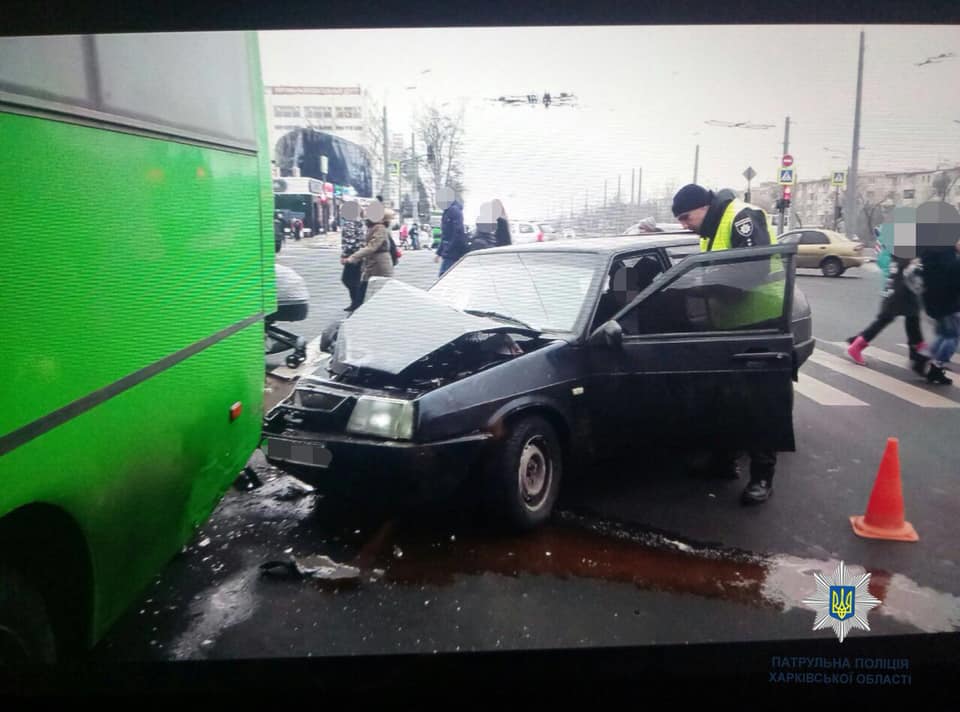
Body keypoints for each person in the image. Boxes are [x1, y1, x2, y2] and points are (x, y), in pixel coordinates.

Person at [671, 183, 780, 505]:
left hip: (762, 322)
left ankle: (762, 477)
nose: (684, 225)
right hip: (731, 325)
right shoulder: (711, 229)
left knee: (759, 404)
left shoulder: (741, 218)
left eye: (685, 217)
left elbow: (753, 270)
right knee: (725, 396)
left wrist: (703, 288)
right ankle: (723, 462)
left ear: (703, 206)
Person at [846, 222, 929, 368]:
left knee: (911, 319)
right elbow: (910, 272)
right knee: (886, 320)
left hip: (897, 291)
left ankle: (917, 351)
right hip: (901, 293)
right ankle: (856, 347)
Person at [917, 236, 960, 385]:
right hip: (947, 301)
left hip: (931, 298)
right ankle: (937, 367)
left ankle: (923, 357)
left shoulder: (930, 248)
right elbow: (953, 276)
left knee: (943, 333)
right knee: (952, 336)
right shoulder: (946, 253)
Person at [345, 203, 395, 306]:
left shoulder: (380, 228)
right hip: (373, 264)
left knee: (371, 293)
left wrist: (353, 257)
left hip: (380, 265)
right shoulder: (374, 227)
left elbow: (372, 247)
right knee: (365, 291)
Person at [338, 201, 365, 311]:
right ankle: (356, 302)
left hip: (352, 256)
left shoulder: (350, 223)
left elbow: (350, 241)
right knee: (354, 280)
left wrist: (345, 256)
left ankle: (357, 302)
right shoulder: (359, 221)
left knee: (348, 280)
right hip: (359, 255)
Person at [435, 191, 466, 276]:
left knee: (444, 277)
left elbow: (457, 232)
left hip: (453, 253)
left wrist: (447, 250)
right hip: (450, 252)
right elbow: (445, 235)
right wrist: (439, 253)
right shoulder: (447, 211)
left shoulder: (454, 211)